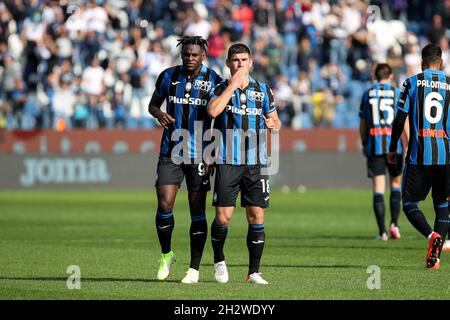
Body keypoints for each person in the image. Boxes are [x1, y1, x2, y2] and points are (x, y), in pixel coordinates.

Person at [148, 36, 223, 283]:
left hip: (200, 154)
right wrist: (159, 113)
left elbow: (220, 118)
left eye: (194, 55)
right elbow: (152, 105)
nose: (189, 58)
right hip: (171, 151)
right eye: (186, 55)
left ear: (203, 55)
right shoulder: (168, 76)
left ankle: (194, 268)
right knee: (165, 204)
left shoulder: (214, 80)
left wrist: (213, 151)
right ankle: (166, 253)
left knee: (197, 212)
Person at [207, 43, 281, 285]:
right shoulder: (219, 88)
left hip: (256, 163)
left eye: (244, 60)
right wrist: (231, 87)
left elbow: (275, 120)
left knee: (256, 216)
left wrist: (274, 125)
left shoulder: (263, 89)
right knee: (223, 218)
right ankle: (219, 260)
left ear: (251, 62)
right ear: (229, 63)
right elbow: (213, 111)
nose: (240, 64)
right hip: (228, 161)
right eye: (235, 60)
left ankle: (254, 272)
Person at [388, 43, 450, 269]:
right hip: (445, 155)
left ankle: (431, 235)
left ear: (422, 63)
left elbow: (399, 119)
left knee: (409, 203)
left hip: (418, 155)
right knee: (443, 203)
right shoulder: (449, 84)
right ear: (440, 62)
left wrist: (393, 146)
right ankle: (436, 258)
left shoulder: (411, 83)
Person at [359, 63, 407, 240]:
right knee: (396, 184)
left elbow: (363, 122)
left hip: (375, 146)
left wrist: (364, 142)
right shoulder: (397, 93)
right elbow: (405, 120)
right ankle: (394, 224)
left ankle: (382, 233)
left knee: (378, 188)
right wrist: (408, 144)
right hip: (395, 147)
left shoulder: (368, 93)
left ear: (375, 76)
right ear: (391, 75)